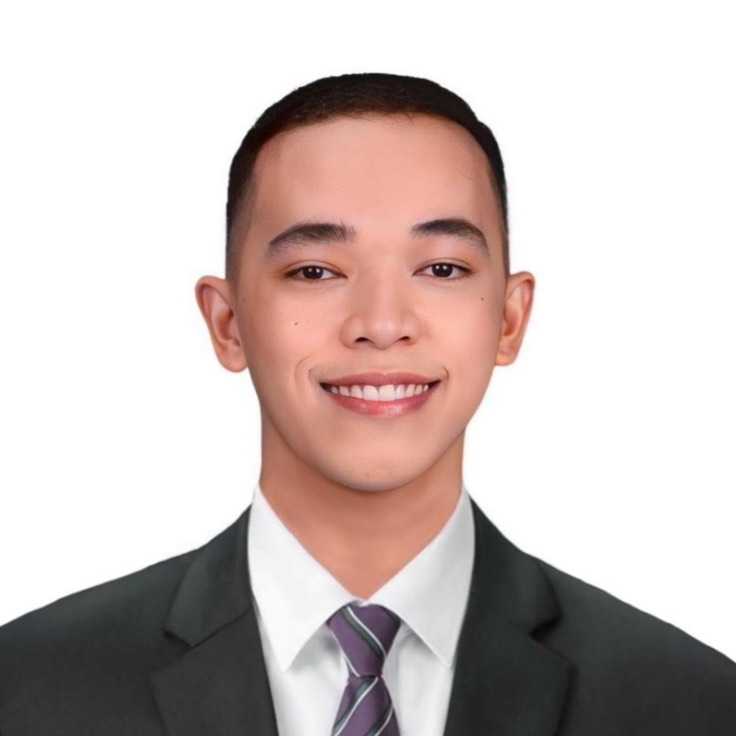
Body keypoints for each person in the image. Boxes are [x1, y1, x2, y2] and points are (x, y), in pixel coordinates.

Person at [0, 72, 733, 736]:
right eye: (316, 271)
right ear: (228, 323)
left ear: (510, 319)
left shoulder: (692, 703)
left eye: (441, 268)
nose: (382, 324)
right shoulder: (28, 689)